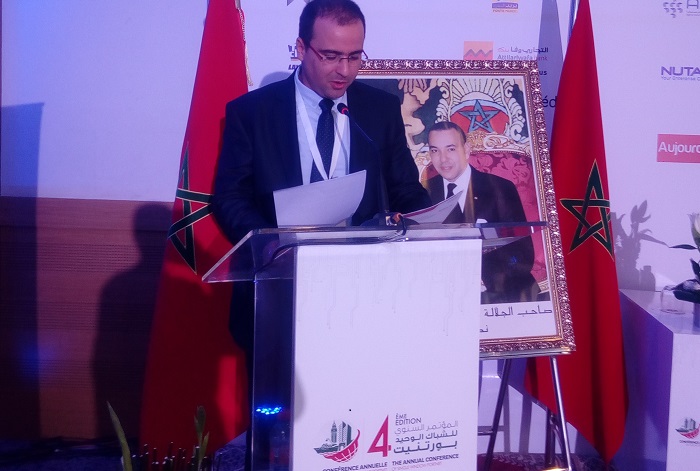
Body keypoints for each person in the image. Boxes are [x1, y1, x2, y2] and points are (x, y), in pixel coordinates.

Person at [211, 1, 430, 466]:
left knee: (354, 419)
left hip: (364, 295)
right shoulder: (253, 112)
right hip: (279, 293)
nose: (344, 70)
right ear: (301, 48)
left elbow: (405, 189)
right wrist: (272, 242)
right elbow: (228, 198)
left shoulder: (379, 110)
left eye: (354, 56)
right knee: (277, 424)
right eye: (330, 56)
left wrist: (438, 219)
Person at [425, 121, 539, 303]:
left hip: (501, 293)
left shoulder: (500, 188)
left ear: (466, 150)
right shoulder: (423, 193)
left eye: (451, 149)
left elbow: (523, 254)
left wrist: (480, 275)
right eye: (435, 150)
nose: (443, 159)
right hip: (444, 295)